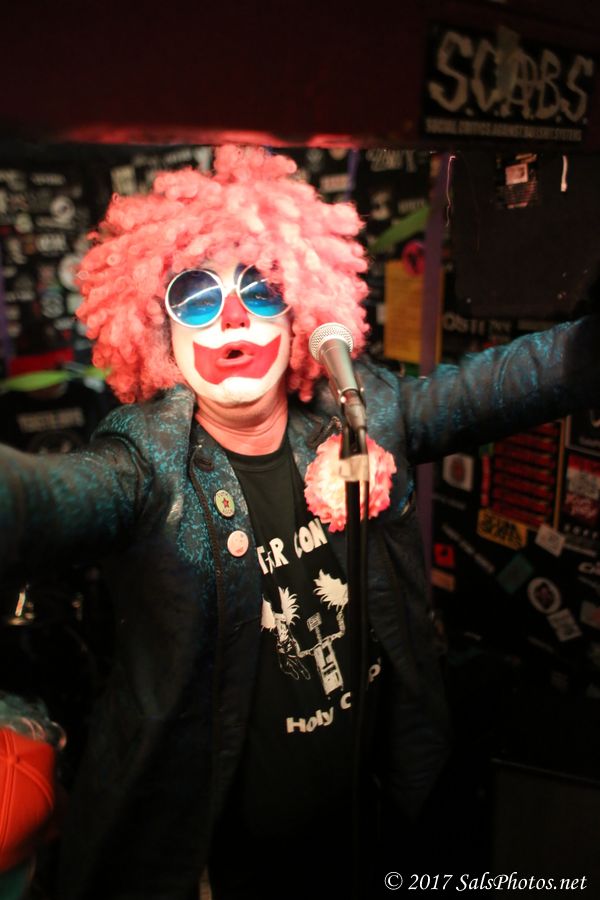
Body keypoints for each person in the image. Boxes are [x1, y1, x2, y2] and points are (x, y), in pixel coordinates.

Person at [1, 144, 600, 900]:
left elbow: (519, 379)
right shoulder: (143, 464)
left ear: (300, 315)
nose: (232, 315)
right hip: (215, 861)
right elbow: (41, 499)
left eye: (260, 288)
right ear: (159, 333)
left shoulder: (363, 410)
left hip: (370, 828)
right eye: (195, 297)